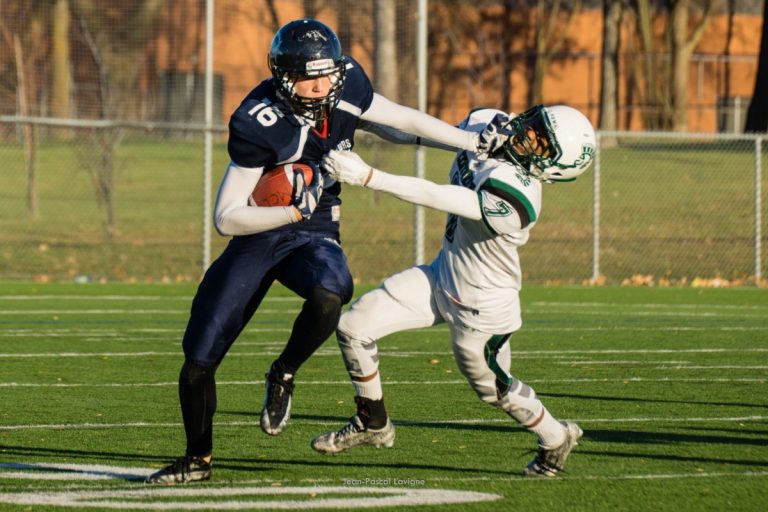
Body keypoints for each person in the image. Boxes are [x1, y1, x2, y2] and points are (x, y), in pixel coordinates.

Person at [145, 18, 512, 484]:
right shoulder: (259, 120)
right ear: (284, 78)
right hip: (260, 227)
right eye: (309, 78)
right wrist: (289, 211)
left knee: (331, 292)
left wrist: (469, 140)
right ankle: (198, 459)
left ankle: (283, 373)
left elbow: (400, 118)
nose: (322, 87)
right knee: (199, 358)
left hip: (314, 223)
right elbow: (225, 217)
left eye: (327, 75)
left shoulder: (347, 83)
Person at [313, 104, 596, 477]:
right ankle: (373, 421)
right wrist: (366, 121)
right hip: (442, 274)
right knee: (353, 327)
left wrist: (369, 176)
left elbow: (438, 196)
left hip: (482, 305)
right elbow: (423, 134)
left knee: (494, 390)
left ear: (553, 168)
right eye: (536, 124)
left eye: (542, 141)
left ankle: (556, 436)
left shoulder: (520, 196)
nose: (529, 134)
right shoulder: (488, 122)